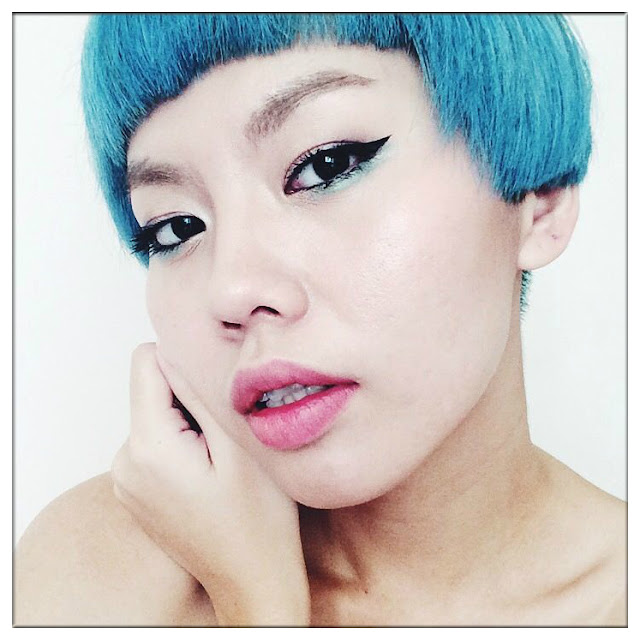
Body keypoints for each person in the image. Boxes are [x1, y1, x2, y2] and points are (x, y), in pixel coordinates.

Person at [14, 13, 626, 626]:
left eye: (326, 166)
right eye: (176, 228)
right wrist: (256, 595)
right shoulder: (92, 579)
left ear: (539, 200)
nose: (233, 290)